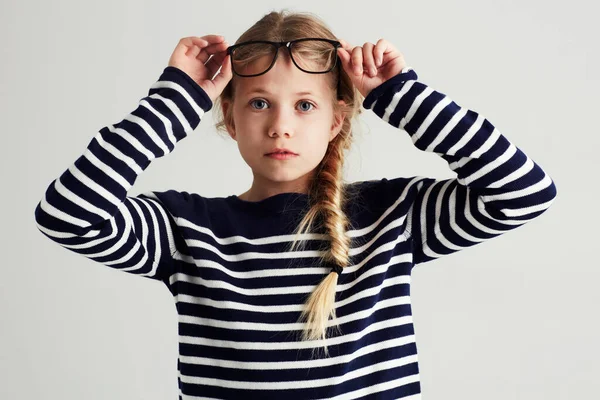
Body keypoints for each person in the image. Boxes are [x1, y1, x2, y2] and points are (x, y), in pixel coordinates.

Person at [34, 9, 557, 400]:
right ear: (230, 119)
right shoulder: (185, 229)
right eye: (259, 102)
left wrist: (401, 94)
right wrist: (173, 100)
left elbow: (523, 192)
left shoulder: (393, 215)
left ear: (336, 120)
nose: (280, 124)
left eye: (305, 105)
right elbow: (67, 214)